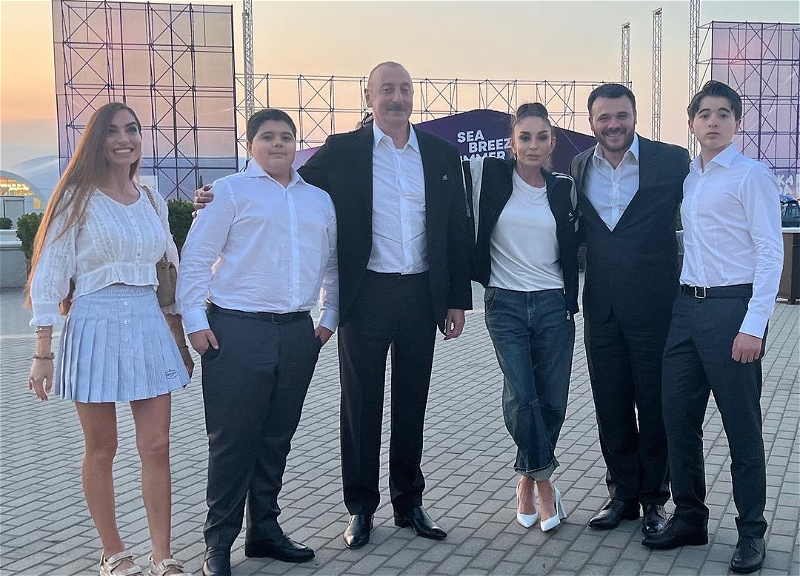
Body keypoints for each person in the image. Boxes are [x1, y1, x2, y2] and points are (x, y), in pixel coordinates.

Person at [194, 61, 472, 549]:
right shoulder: (343, 150)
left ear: (414, 96)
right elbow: (285, 181)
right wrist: (218, 194)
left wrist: (457, 301)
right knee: (360, 405)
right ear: (370, 97)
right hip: (364, 296)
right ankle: (361, 507)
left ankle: (409, 502)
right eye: (387, 89)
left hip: (421, 294)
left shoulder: (441, 153)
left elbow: (456, 227)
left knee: (413, 401)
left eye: (405, 89)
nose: (397, 98)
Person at [26, 102, 193, 576]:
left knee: (156, 446)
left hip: (147, 324)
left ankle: (162, 554)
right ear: (96, 142)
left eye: (132, 129)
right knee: (102, 449)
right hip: (93, 324)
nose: (124, 139)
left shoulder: (152, 199)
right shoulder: (75, 197)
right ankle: (113, 552)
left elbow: (169, 272)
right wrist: (43, 352)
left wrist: (179, 339)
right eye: (113, 131)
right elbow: (50, 272)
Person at [177, 109, 338, 576]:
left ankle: (264, 531)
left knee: (276, 439)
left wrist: (328, 317)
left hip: (297, 333)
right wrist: (194, 323)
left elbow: (332, 264)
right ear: (250, 145)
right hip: (236, 331)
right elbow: (196, 259)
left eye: (286, 136)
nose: (278, 144)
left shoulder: (318, 200)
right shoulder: (228, 192)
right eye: (267, 136)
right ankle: (218, 543)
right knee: (232, 443)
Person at [642, 81, 783, 574]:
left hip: (732, 311)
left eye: (724, 113)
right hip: (686, 310)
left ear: (737, 123)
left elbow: (770, 252)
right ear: (692, 123)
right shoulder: (691, 178)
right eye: (705, 114)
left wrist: (754, 325)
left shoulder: (751, 176)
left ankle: (751, 532)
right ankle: (689, 518)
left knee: (741, 427)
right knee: (678, 419)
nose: (714, 121)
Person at [570, 84, 690, 535]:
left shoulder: (671, 161)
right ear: (591, 123)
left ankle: (655, 498)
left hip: (655, 308)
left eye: (621, 115)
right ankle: (622, 494)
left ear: (635, 115)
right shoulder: (580, 165)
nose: (613, 124)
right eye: (604, 117)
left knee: (655, 406)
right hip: (601, 309)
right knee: (611, 404)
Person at [467, 103, 578, 532]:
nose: (533, 145)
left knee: (553, 400)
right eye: (525, 137)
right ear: (512, 143)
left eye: (542, 137)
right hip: (505, 303)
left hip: (553, 303)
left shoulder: (564, 188)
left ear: (552, 143)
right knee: (521, 394)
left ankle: (525, 482)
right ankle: (546, 485)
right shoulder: (490, 177)